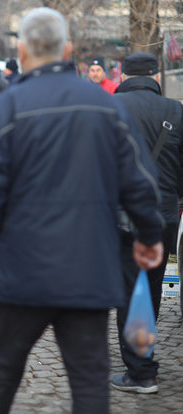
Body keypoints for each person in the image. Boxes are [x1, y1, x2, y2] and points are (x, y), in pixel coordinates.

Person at [0, 9, 164, 413]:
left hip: (20, 269)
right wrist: (149, 236)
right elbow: (141, 183)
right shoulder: (107, 107)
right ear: (68, 49)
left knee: (2, 371)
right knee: (89, 379)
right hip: (88, 267)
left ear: (22, 49)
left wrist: (1, 241)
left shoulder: (4, 110)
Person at [110, 52, 183, 394]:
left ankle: (141, 371)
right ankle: (142, 362)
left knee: (128, 290)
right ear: (156, 77)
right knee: (149, 289)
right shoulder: (176, 111)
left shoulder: (109, 110)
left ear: (122, 75)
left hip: (122, 216)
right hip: (164, 216)